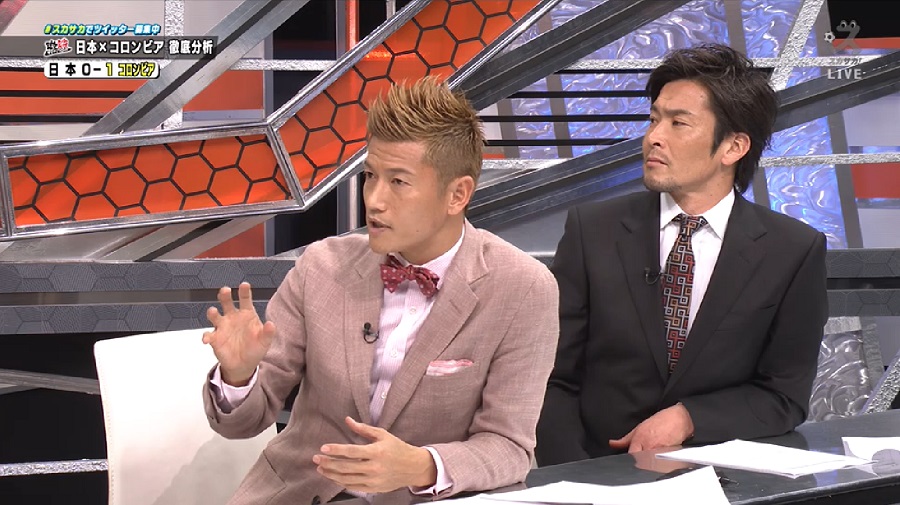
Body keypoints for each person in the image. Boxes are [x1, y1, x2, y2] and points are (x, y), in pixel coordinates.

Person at [202, 77, 559, 504]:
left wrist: (420, 466)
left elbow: (509, 447)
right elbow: (243, 422)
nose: (374, 200)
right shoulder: (321, 268)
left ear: (457, 194)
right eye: (371, 176)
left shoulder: (522, 289)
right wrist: (239, 377)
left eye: (398, 182)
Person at [535, 43, 828, 465]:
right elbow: (551, 376)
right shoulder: (592, 230)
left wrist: (689, 418)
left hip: (726, 478)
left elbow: (784, 396)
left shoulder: (793, 250)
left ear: (733, 147)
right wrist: (577, 477)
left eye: (678, 123)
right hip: (594, 471)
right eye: (654, 119)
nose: (654, 137)